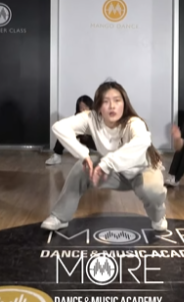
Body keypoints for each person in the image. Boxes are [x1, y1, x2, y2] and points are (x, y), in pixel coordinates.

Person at [40, 81, 168, 232]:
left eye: (117, 100)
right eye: (106, 101)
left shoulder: (133, 122)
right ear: (99, 106)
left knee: (153, 191)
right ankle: (60, 217)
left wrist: (107, 163)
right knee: (81, 169)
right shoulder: (92, 118)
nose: (112, 106)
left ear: (124, 103)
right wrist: (83, 154)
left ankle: (158, 217)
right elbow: (59, 127)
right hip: (114, 174)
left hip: (142, 173)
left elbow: (142, 141)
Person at [45, 95, 97, 165]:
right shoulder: (77, 117)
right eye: (81, 107)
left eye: (85, 107)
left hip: (95, 141)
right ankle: (57, 156)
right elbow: (58, 127)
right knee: (64, 129)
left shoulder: (96, 116)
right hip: (82, 141)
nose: (84, 109)